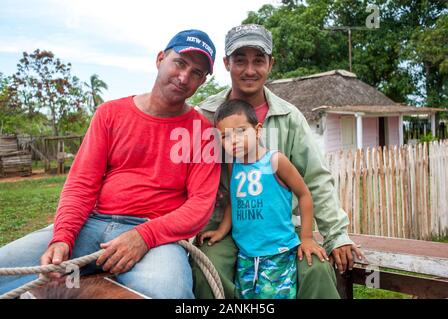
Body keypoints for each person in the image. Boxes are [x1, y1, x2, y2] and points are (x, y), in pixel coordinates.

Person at [0, 29, 221, 299]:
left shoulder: (204, 133)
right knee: (6, 266)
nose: (185, 77)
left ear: (202, 81)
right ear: (160, 59)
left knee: (168, 292)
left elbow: (200, 206)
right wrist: (63, 236)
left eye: (197, 73)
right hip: (92, 224)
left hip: (156, 235)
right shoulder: (110, 113)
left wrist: (144, 235)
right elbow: (81, 183)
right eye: (180, 63)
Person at [192, 24, 363, 299]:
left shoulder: (290, 117)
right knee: (205, 268)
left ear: (271, 63)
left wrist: (336, 236)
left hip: (280, 227)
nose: (250, 70)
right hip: (225, 227)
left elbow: (315, 179)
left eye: (258, 60)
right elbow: (183, 177)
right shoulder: (205, 115)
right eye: (240, 60)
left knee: (316, 269)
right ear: (226, 63)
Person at [198, 99, 327, 299]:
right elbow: (234, 201)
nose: (233, 140)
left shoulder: (275, 161)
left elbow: (304, 194)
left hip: (278, 252)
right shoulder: (234, 165)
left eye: (240, 131)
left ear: (258, 131)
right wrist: (221, 231)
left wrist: (307, 237)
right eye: (225, 136)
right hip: (246, 254)